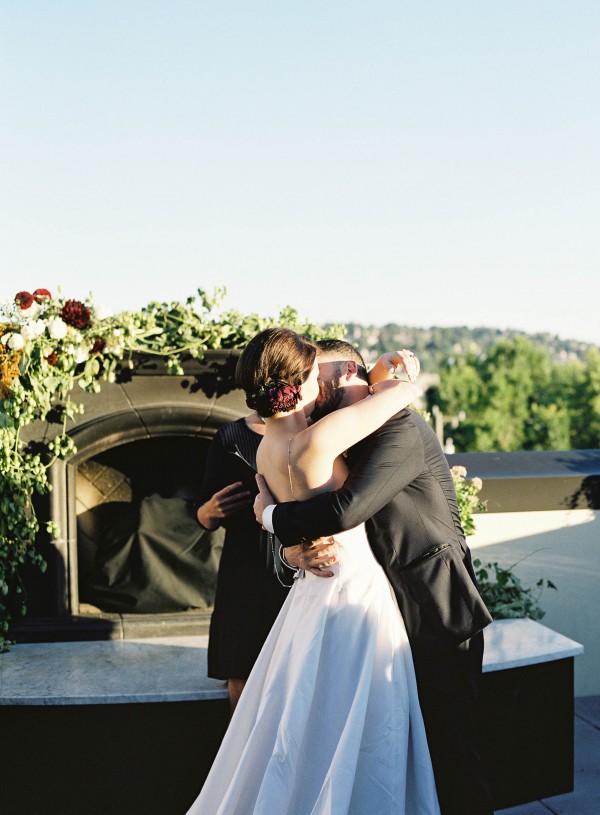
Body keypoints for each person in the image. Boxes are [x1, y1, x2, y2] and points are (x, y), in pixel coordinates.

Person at [186, 327, 440, 815]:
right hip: (354, 592)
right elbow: (403, 393)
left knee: (307, 716)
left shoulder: (263, 450)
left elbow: (285, 520)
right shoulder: (317, 438)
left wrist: (278, 535)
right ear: (300, 383)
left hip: (309, 589)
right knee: (363, 717)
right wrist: (393, 366)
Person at [256, 338, 494, 815]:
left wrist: (271, 518)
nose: (313, 392)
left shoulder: (400, 427)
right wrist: (293, 549)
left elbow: (348, 509)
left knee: (453, 751)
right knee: (402, 752)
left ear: (347, 374)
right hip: (382, 611)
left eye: (320, 380)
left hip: (435, 607)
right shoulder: (341, 432)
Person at [196, 411, 290, 710]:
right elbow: (203, 516)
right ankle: (244, 751)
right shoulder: (229, 436)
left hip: (292, 561)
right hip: (243, 565)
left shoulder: (305, 431)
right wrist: (210, 510)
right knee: (240, 664)